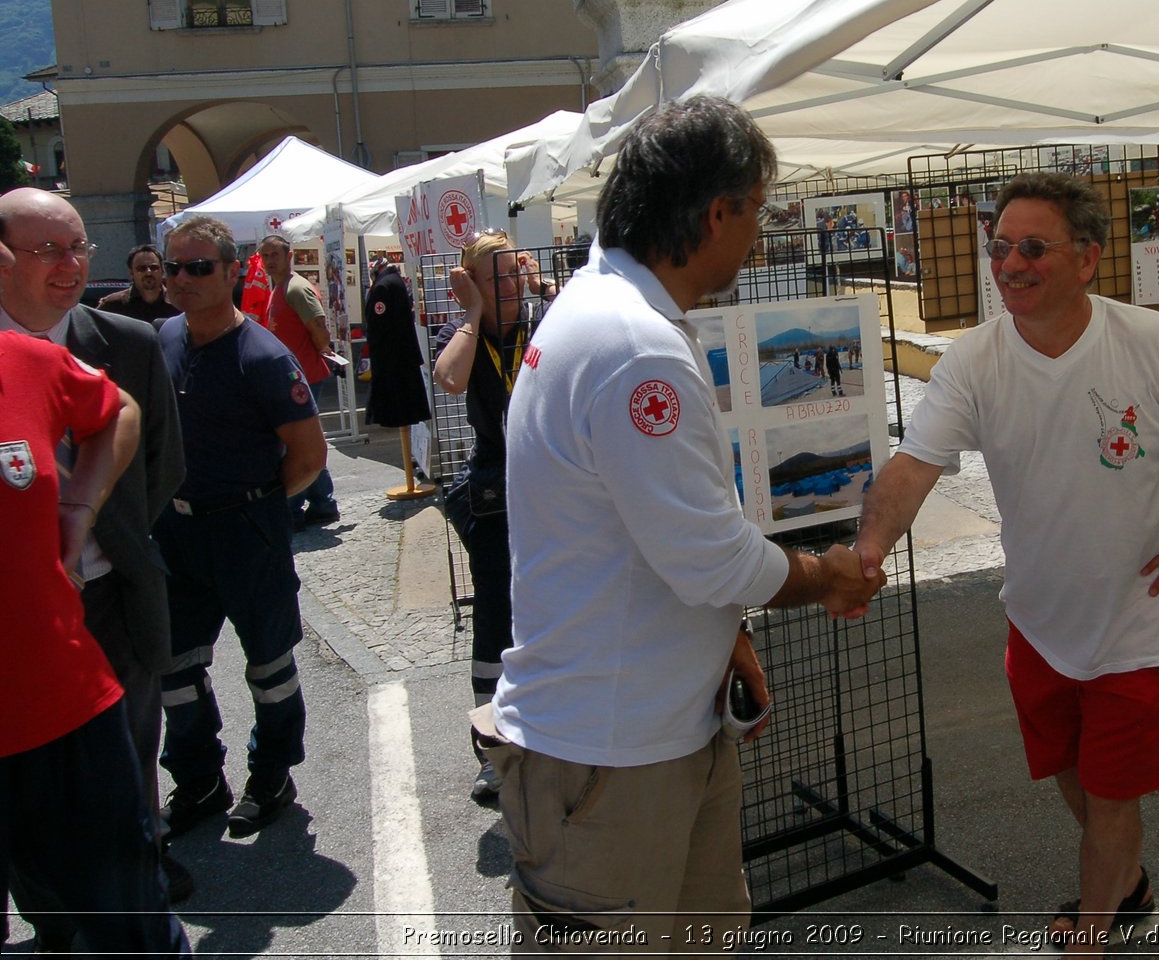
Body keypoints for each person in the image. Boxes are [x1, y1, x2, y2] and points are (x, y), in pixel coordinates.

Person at [478, 96, 883, 951]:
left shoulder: (612, 312)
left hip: (653, 729)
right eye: (758, 211)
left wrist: (723, 635)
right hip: (612, 757)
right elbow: (706, 555)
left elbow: (647, 537)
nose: (761, 234)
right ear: (716, 213)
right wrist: (825, 574)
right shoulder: (636, 348)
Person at [854, 172, 1159, 955]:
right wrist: (867, 556)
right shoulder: (974, 361)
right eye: (1000, 248)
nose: (1010, 264)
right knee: (1074, 777)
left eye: (1032, 248)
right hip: (1039, 623)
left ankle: (1095, 928)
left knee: (1114, 797)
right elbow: (912, 468)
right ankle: (1127, 884)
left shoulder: (1149, 342)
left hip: (1137, 626)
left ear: (1086, 260)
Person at [0, 188, 191, 925]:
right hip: (23, 631)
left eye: (78, 247)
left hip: (110, 594)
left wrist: (87, 518)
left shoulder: (127, 343)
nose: (70, 265)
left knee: (126, 763)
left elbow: (160, 461)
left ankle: (136, 874)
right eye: (48, 249)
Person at [154, 216, 328, 841]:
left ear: (232, 272)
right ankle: (199, 780)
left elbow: (309, 459)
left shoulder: (263, 355)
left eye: (199, 267)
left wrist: (250, 504)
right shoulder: (161, 339)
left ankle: (272, 776)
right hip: (176, 534)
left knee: (268, 666)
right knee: (174, 670)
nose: (182, 279)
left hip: (245, 531)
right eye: (173, 266)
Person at [434, 229, 544, 805]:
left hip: (550, 488)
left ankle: (549, 727)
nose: (507, 285)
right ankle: (492, 747)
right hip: (496, 493)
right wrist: (473, 312)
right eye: (491, 276)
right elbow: (449, 378)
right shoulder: (468, 333)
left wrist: (539, 285)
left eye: (510, 272)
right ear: (471, 283)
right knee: (495, 618)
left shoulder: (541, 319)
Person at [259, 234, 340, 529]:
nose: (269, 261)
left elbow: (318, 326)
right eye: (265, 256)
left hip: (303, 377)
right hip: (294, 377)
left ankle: (297, 507)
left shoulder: (295, 288)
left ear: (288, 255)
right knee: (302, 441)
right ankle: (322, 503)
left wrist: (322, 351)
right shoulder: (279, 288)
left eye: (274, 255)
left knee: (297, 443)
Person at [363, 256, 433, 431]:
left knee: (397, 404)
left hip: (392, 356)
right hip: (402, 354)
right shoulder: (394, 281)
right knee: (405, 401)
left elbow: (379, 326)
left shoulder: (382, 287)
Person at [97, 243, 179, 324]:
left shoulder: (178, 302)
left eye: (154, 267)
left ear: (163, 270)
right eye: (141, 268)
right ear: (131, 272)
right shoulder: (112, 305)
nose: (148, 272)